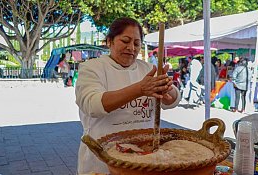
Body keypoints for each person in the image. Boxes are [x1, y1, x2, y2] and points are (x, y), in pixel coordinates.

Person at [75, 17, 181, 174]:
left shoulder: (147, 68)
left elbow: (172, 100)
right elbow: (92, 105)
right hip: (102, 158)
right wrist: (139, 89)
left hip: (144, 157)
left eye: (136, 44)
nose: (131, 48)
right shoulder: (92, 68)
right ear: (109, 41)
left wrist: (167, 90)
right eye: (125, 41)